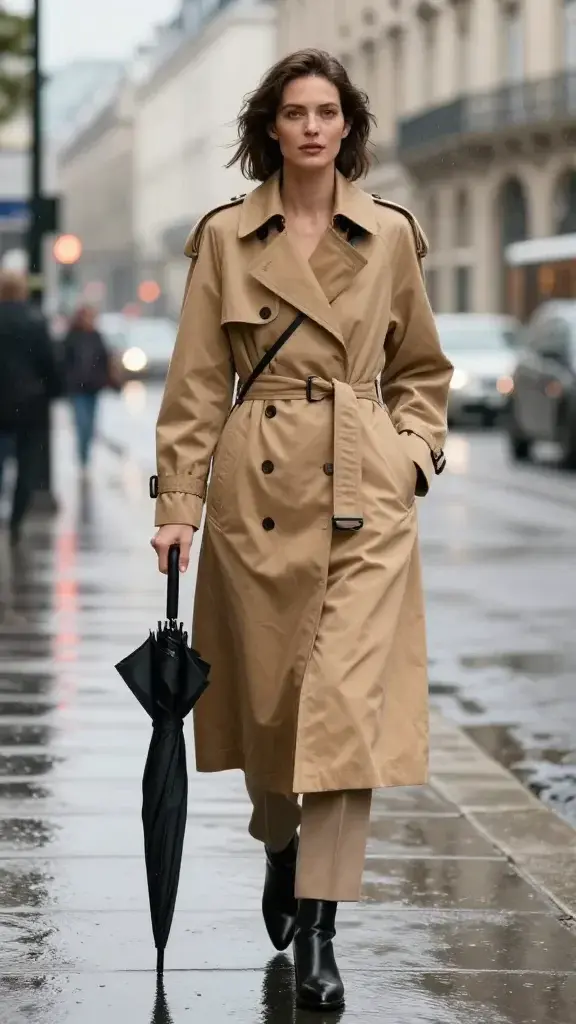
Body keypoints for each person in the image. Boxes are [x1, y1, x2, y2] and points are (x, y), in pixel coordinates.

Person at [151, 50, 453, 1012]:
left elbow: (423, 372)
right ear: (271, 128)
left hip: (367, 498)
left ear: (349, 126)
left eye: (329, 112)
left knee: (344, 708)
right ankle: (281, 842)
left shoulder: (391, 234)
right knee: (278, 711)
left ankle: (321, 927)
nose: (314, 127)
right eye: (296, 112)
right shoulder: (228, 239)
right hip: (259, 493)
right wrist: (175, 509)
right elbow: (198, 384)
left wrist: (409, 454)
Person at [0, 271, 61, 545]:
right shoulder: (35, 321)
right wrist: (54, 391)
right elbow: (49, 362)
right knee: (27, 465)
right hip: (30, 403)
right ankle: (15, 520)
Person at [62, 305, 112, 470]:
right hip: (77, 389)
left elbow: (104, 359)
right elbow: (63, 360)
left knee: (90, 425)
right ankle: (82, 456)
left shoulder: (96, 336)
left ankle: (85, 455)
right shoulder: (72, 337)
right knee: (82, 423)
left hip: (93, 388)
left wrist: (105, 378)